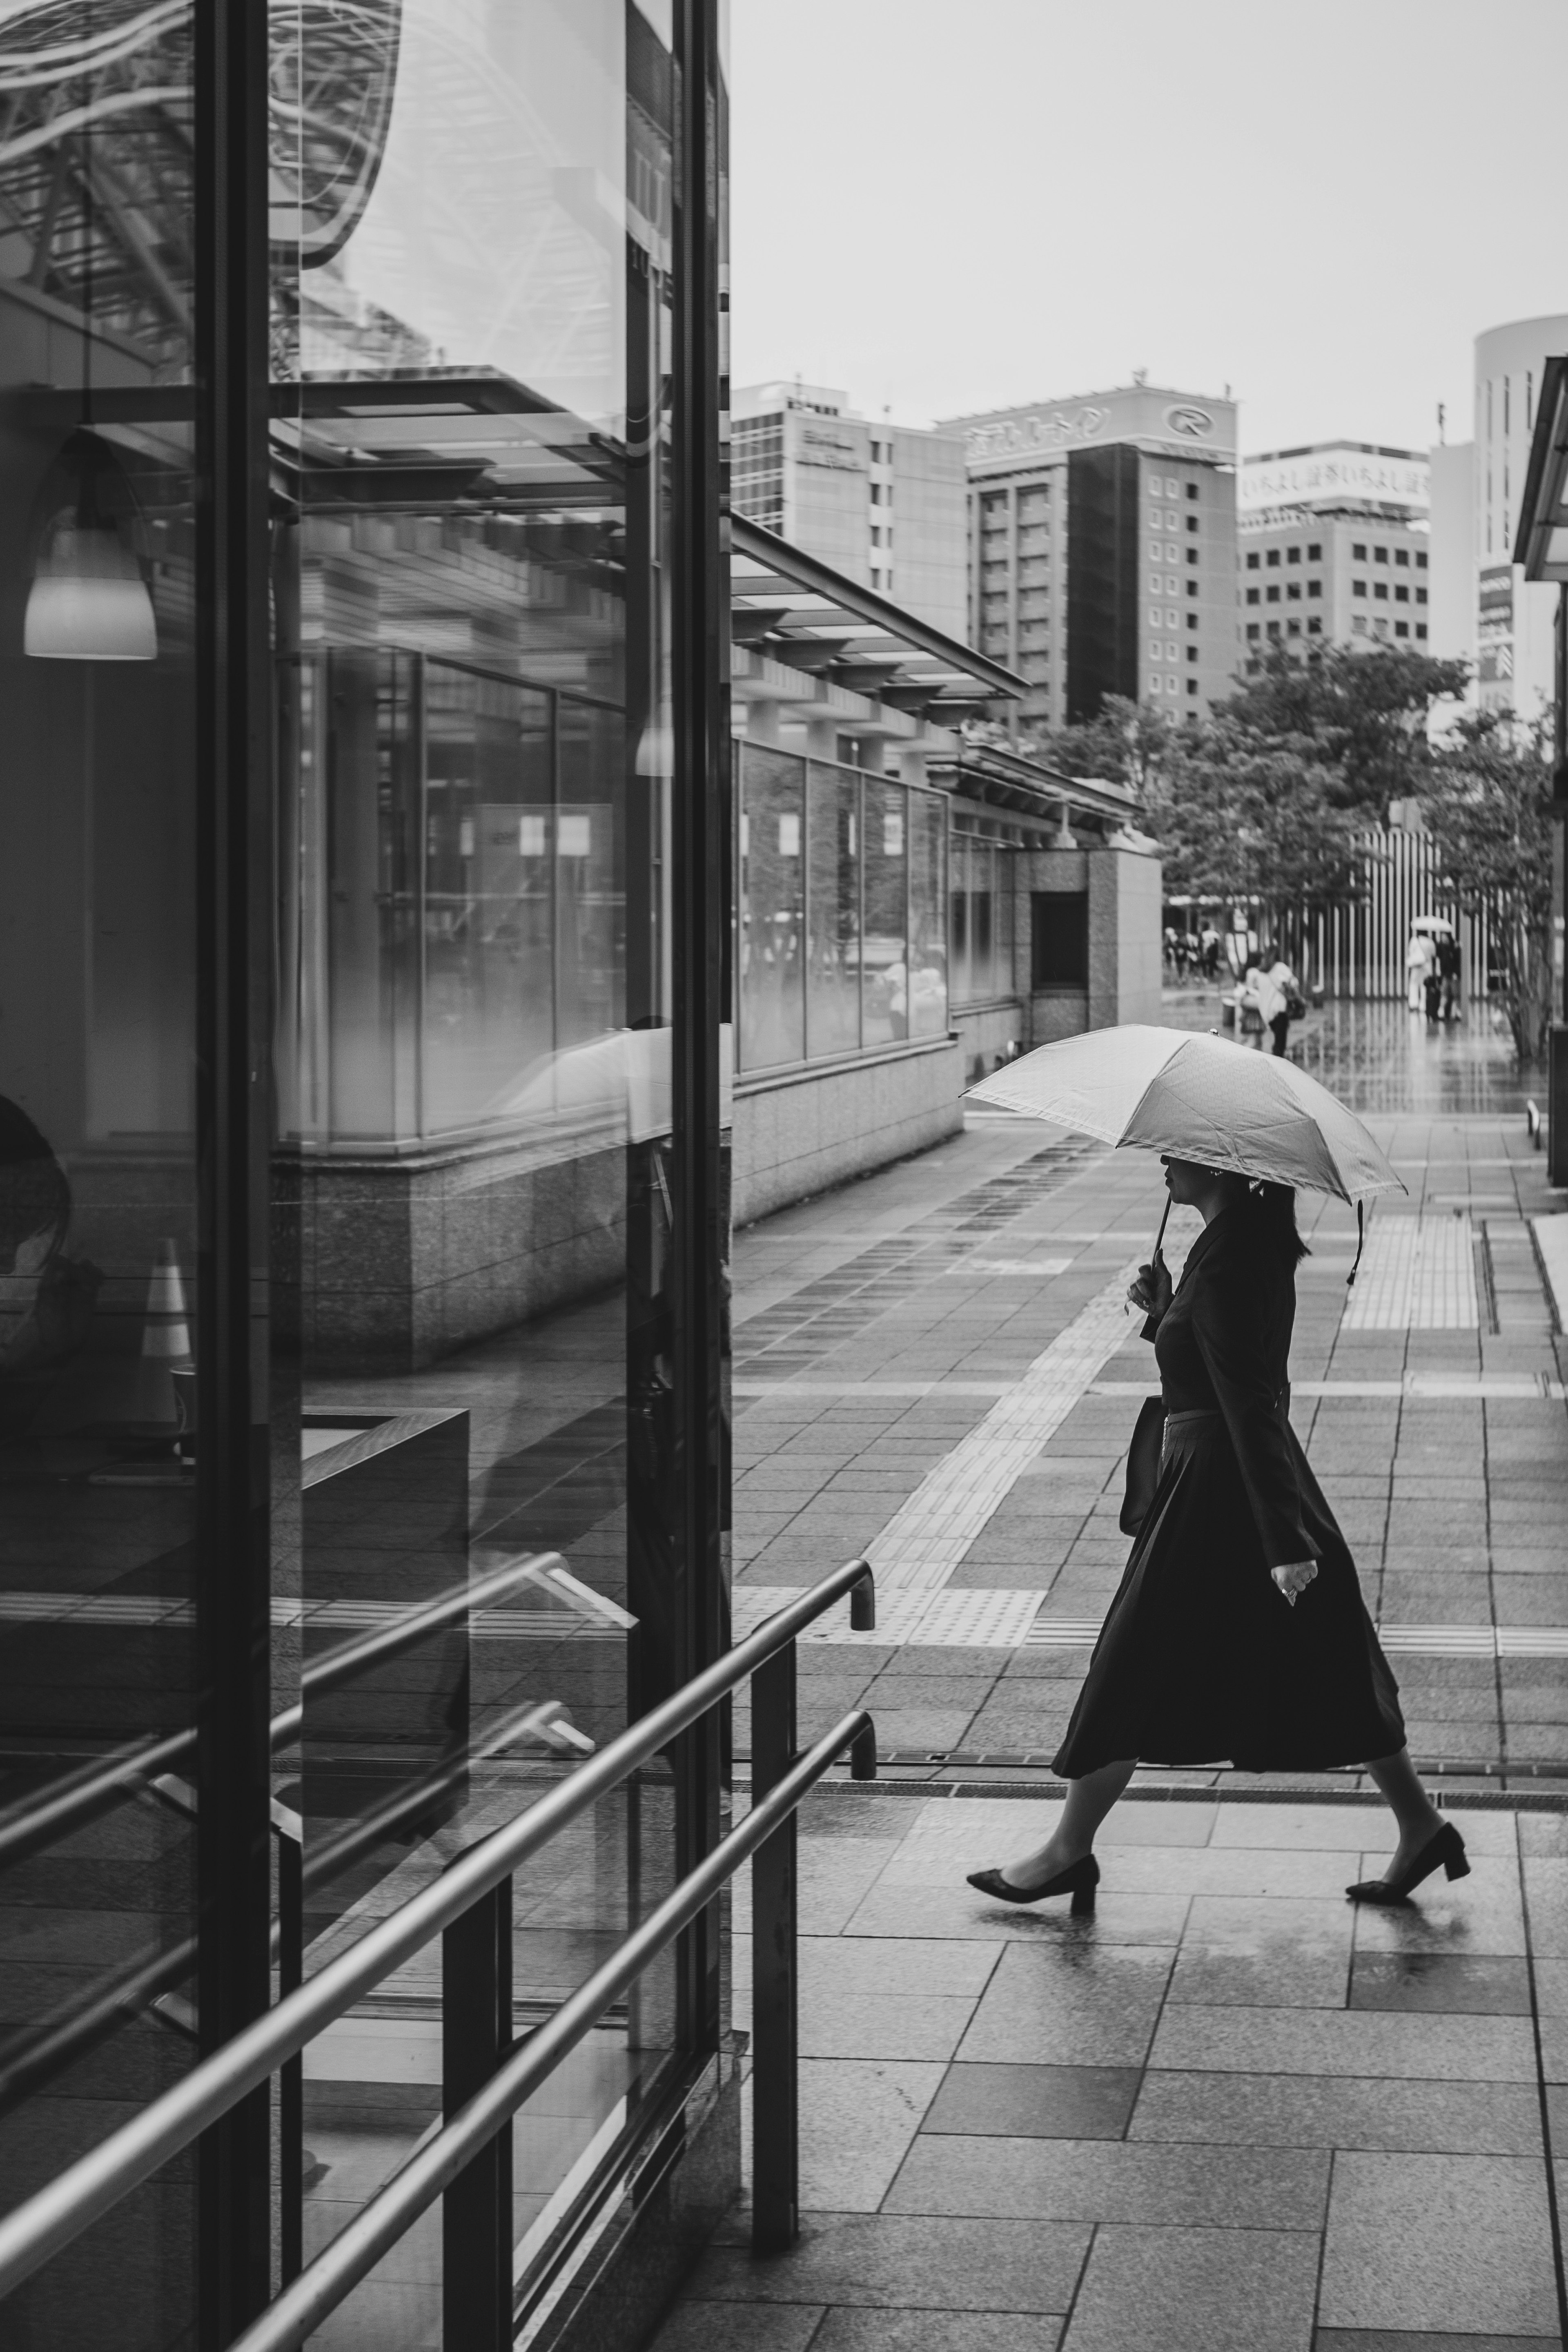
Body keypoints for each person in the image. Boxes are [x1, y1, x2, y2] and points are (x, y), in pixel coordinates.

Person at [965, 1156, 1464, 1911]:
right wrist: (1167, 1309)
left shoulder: (1232, 1257)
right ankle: (1421, 1823)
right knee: (1328, 1646)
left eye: (1179, 1151)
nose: (1165, 1159)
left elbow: (1252, 1399)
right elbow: (1215, 1366)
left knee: (1132, 1655)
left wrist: (1285, 1538)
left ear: (1224, 1164)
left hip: (1220, 1486)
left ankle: (1068, 1850)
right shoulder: (1233, 1242)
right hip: (1228, 1477)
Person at [1263, 957, 1296, 1057]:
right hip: (1279, 1009)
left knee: (1278, 1038)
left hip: (1269, 1011)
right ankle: (1278, 1057)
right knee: (1281, 1039)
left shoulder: (1265, 972)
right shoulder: (1281, 968)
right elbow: (1293, 983)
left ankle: (1277, 1054)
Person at [1406, 928, 1433, 1012]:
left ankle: (1414, 1004)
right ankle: (1424, 1006)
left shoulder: (1415, 940)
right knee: (1425, 985)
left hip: (1417, 966)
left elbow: (1410, 951)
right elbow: (1433, 953)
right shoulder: (1430, 941)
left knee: (1414, 984)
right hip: (1427, 966)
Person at [1437, 932, 1461, 1021]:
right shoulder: (1442, 948)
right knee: (1444, 993)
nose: (1443, 939)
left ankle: (1457, 1012)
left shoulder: (1455, 948)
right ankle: (1442, 1012)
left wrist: (1456, 973)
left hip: (1454, 975)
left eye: (1445, 937)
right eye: (1442, 937)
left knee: (1456, 995)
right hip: (1446, 974)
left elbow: (1457, 962)